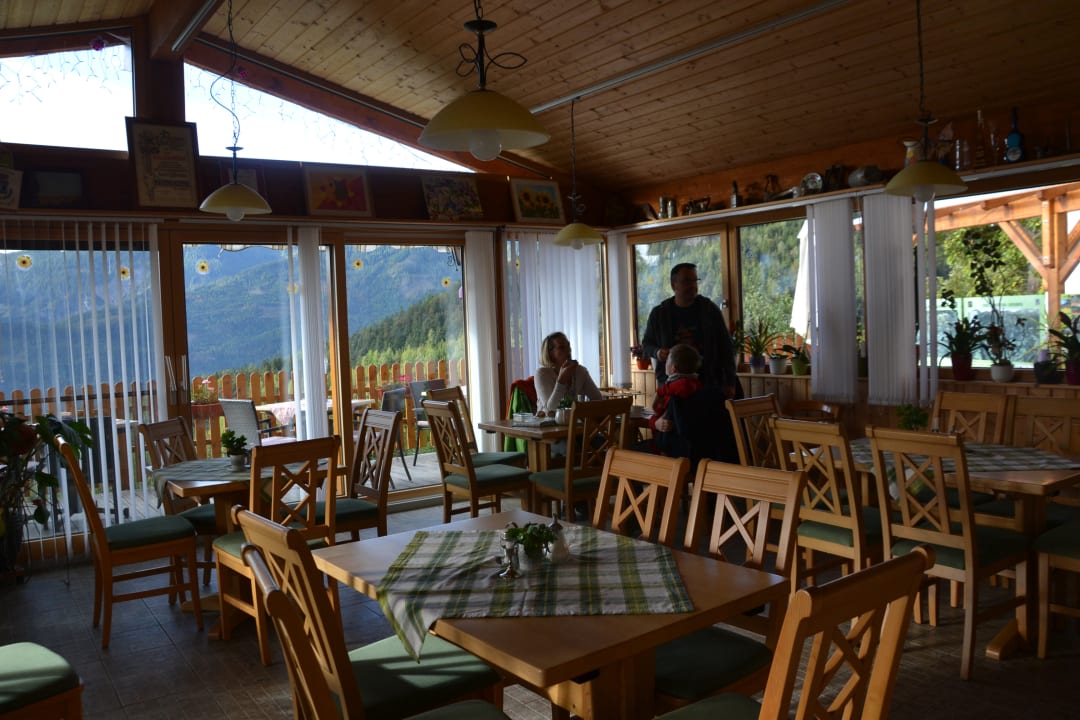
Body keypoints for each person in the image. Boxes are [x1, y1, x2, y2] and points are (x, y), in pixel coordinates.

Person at [641, 262, 740, 399]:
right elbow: (646, 344)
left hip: (708, 385)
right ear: (673, 285)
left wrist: (730, 382)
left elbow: (726, 348)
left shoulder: (709, 310)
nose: (692, 285)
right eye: (687, 281)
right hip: (672, 388)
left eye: (695, 280)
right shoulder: (660, 314)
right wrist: (657, 352)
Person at [534, 331, 603, 413]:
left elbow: (598, 399)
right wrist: (561, 381)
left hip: (575, 420)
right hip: (548, 421)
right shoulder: (542, 374)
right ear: (550, 353)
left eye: (568, 345)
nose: (568, 350)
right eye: (562, 347)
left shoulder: (580, 371)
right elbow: (550, 411)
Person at [649, 343, 703, 437]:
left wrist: (653, 423)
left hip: (669, 442)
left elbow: (659, 414)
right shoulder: (698, 385)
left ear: (673, 368)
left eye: (667, 360)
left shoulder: (674, 391)